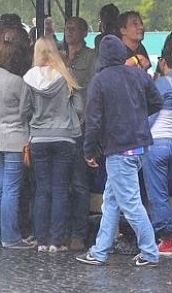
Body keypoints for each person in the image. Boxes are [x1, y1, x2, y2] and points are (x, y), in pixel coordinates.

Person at [76, 34, 163, 268]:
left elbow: (93, 121)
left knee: (131, 203)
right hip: (139, 146)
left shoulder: (100, 80)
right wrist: (136, 116)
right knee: (112, 201)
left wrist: (90, 150)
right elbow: (157, 101)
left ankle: (150, 251)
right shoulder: (137, 74)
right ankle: (100, 251)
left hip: (118, 149)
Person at [20, 37, 83, 253]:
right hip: (64, 137)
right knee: (60, 190)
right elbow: (80, 107)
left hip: (39, 138)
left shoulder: (29, 78)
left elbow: (23, 111)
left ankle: (42, 240)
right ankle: (57, 241)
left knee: (42, 190)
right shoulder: (66, 75)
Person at [0, 39, 33, 249]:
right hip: (14, 139)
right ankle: (10, 237)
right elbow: (25, 112)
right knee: (11, 189)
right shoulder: (19, 82)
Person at [144, 54, 172, 257]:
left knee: (157, 195)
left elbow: (148, 108)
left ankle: (169, 238)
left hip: (157, 143)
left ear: (164, 62)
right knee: (164, 193)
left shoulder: (161, 83)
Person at [62, 17, 97, 251]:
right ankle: (61, 231)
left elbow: (94, 90)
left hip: (81, 126)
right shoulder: (60, 57)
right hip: (59, 127)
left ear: (84, 32)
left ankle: (78, 234)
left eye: (73, 28)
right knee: (61, 184)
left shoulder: (91, 57)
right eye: (66, 28)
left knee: (79, 183)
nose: (68, 32)